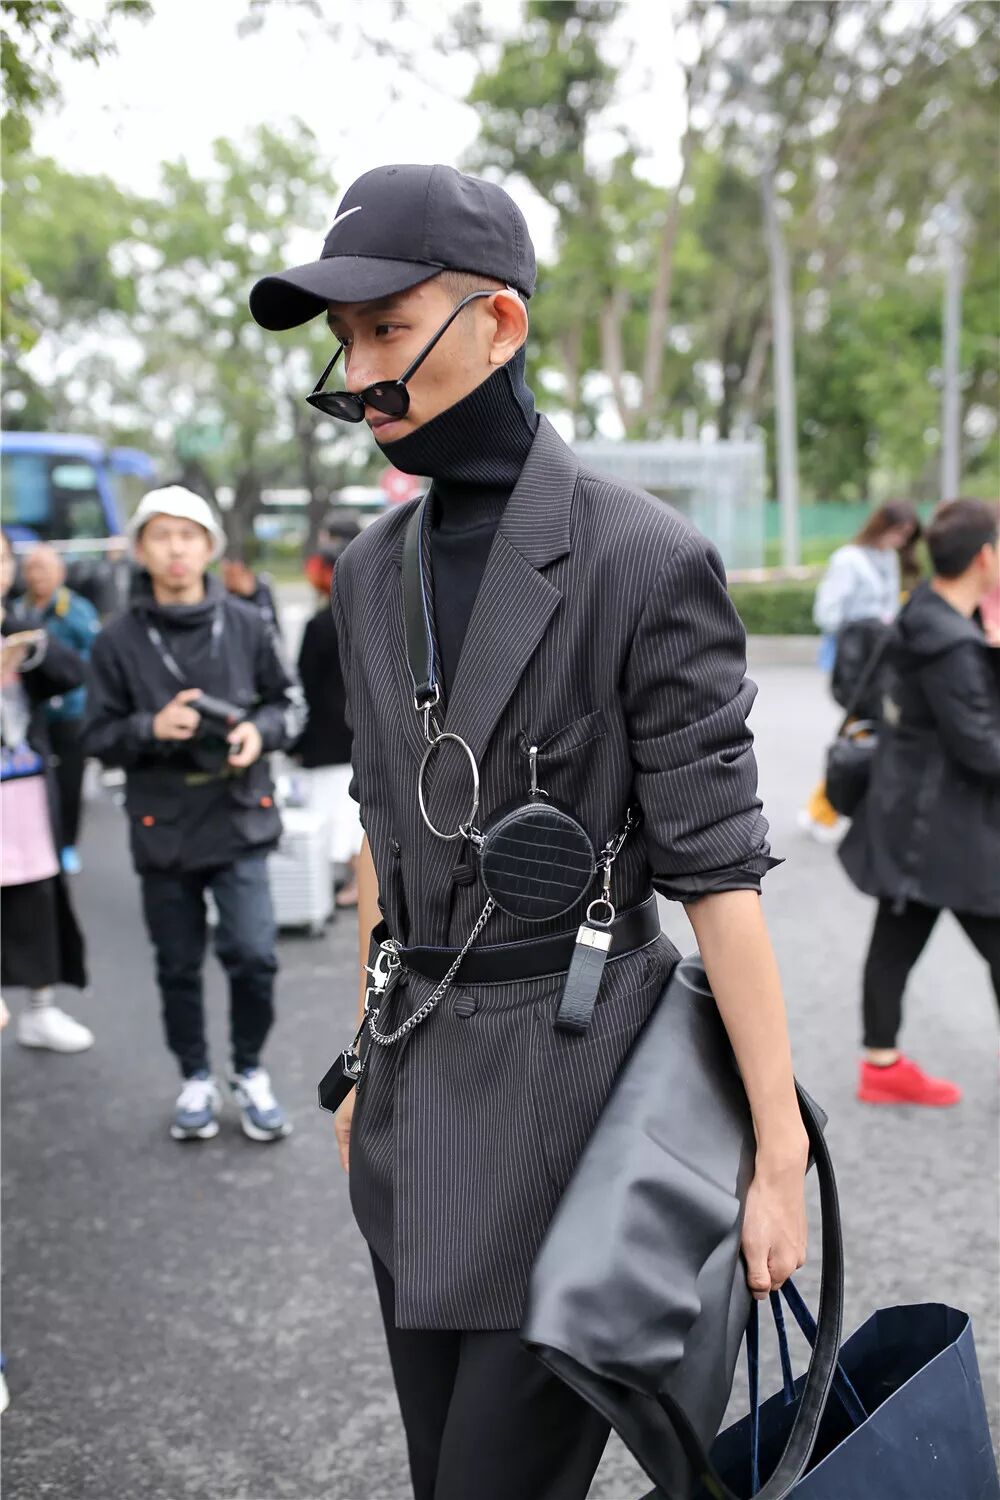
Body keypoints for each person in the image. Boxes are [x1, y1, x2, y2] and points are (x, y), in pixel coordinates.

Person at [251, 163, 809, 1500]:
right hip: (413, 1090)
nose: (360, 373)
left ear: (496, 323)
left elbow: (719, 872)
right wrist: (361, 1055)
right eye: (345, 339)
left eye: (388, 329)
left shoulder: (640, 555)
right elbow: (383, 830)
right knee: (437, 1471)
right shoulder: (370, 574)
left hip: (580, 1094)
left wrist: (776, 1150)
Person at [83, 487, 298, 1143]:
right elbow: (96, 736)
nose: (175, 548)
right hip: (163, 823)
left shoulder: (247, 622)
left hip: (238, 814)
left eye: (188, 534)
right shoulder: (116, 640)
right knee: (177, 963)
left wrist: (259, 732)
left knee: (254, 955)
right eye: (161, 535)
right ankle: (195, 1077)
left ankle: (250, 1070)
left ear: (209, 547)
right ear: (140, 550)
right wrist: (151, 727)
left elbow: (289, 705)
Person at [839, 498, 1000, 1106]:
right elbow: (982, 749)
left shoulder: (927, 613)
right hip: (945, 824)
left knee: (897, 932)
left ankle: (881, 1065)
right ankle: (881, 1065)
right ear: (984, 557)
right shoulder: (951, 645)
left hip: (913, 812)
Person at [0, 532, 93, 1053]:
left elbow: (73, 673)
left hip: (25, 793)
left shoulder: (19, 624)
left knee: (37, 901)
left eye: (1, 560)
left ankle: (40, 1009)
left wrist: (24, 640)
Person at [799, 501, 922, 843]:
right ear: (883, 525)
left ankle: (829, 811)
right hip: (856, 664)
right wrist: (866, 625)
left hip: (882, 661)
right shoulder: (848, 560)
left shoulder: (888, 558)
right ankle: (820, 811)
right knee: (858, 734)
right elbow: (827, 613)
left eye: (907, 536)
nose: (901, 540)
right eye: (899, 532)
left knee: (867, 733)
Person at [16, 544, 101, 874]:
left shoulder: (76, 610)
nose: (38, 575)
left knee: (69, 782)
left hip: (71, 712)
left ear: (60, 573)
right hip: (31, 714)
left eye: (45, 568)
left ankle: (67, 844)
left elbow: (93, 659)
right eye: (32, 568)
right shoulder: (18, 609)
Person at [296, 513, 364, 906]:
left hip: (327, 732)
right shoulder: (367, 615)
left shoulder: (320, 625)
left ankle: (357, 882)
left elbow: (306, 684)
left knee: (338, 815)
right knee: (354, 815)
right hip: (360, 727)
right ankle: (361, 882)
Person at [221, 556, 280, 636]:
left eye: (232, 575)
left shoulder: (263, 590)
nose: (227, 581)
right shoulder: (226, 596)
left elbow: (272, 623)